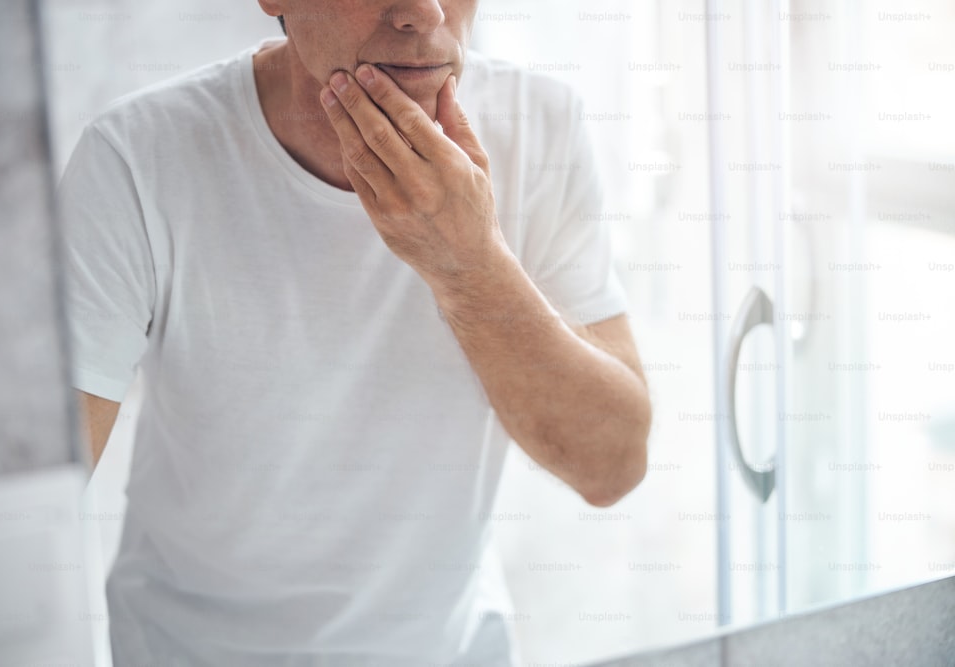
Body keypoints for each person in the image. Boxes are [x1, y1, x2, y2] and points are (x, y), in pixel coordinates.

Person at [61, 1, 652, 665]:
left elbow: (614, 465)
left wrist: (472, 267)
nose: (424, 12)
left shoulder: (542, 125)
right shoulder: (138, 157)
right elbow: (25, 511)